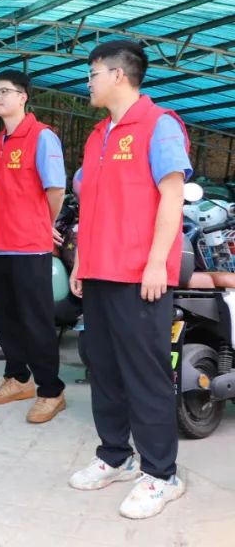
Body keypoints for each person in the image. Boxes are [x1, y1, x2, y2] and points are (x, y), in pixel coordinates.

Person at [68, 40, 191, 519]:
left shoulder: (160, 125)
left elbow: (172, 196)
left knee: (145, 374)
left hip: (140, 275)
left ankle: (162, 475)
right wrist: (80, 261)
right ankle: (115, 456)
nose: (88, 83)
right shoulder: (98, 135)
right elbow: (92, 207)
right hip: (98, 270)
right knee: (104, 369)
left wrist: (158, 262)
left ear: (118, 75)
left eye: (92, 73)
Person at [0, 70, 67, 423]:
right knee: (5, 320)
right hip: (1, 244)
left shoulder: (42, 137)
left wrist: (42, 223)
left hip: (30, 247)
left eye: (5, 91)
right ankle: (18, 379)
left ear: (23, 97)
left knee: (36, 322)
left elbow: (56, 190)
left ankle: (51, 391)